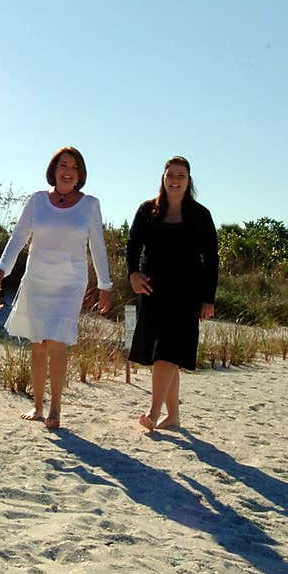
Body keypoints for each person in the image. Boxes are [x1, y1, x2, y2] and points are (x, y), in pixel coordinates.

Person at [0, 146, 112, 429]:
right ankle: (37, 407)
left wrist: (105, 285)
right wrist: (1, 269)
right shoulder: (37, 201)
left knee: (57, 341)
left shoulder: (90, 205)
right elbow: (19, 236)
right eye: (63, 166)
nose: (68, 171)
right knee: (38, 345)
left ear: (80, 174)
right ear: (54, 170)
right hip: (37, 279)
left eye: (73, 167)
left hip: (70, 281)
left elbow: (98, 247)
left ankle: (55, 409)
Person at [126, 156, 218, 432]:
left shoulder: (200, 215)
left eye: (181, 175)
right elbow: (132, 245)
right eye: (171, 175)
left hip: (186, 294)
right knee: (164, 355)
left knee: (167, 352)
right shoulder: (147, 210)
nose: (175, 180)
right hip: (152, 290)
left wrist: (208, 299)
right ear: (163, 179)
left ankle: (154, 412)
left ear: (189, 180)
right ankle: (173, 416)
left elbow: (211, 259)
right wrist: (133, 273)